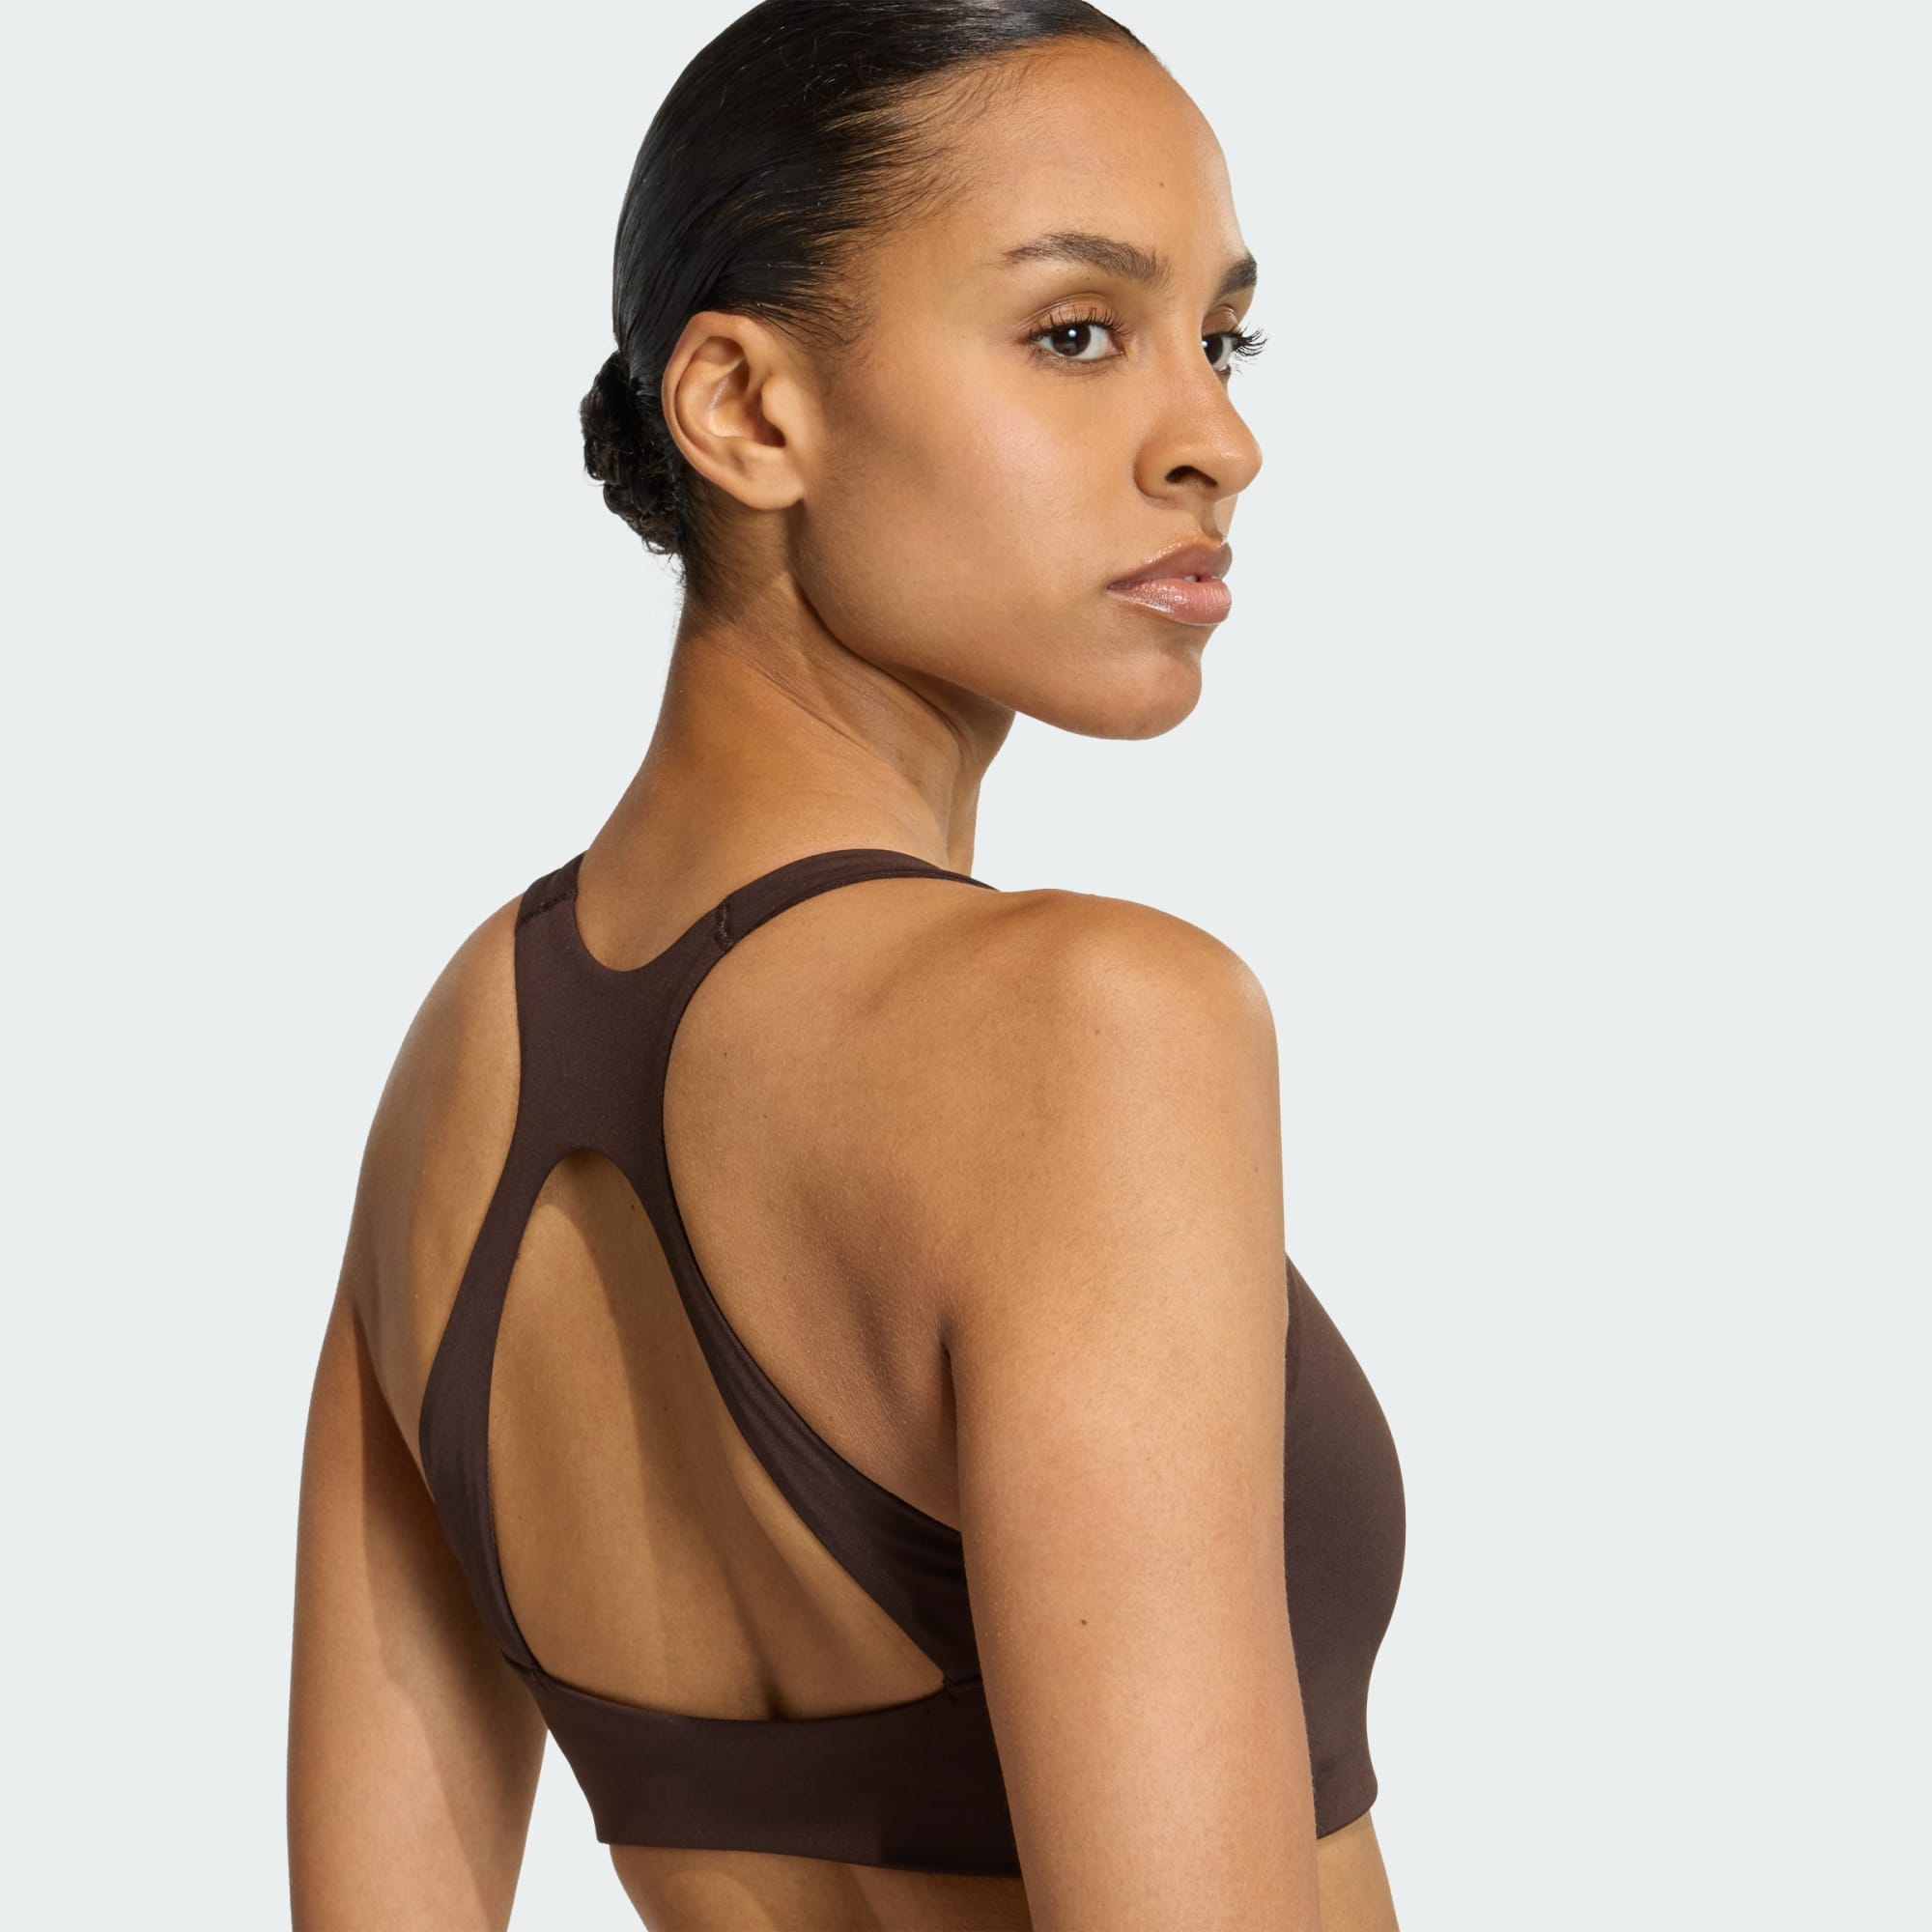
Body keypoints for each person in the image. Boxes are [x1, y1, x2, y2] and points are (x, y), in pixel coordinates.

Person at [287, 3, 1406, 1926]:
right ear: (745, 409)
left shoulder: (460, 1056)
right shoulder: (1097, 1023)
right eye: (1076, 331)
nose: (1218, 439)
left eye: (1220, 340)